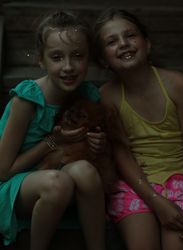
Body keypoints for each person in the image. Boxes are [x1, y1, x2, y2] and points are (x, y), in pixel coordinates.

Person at [93, 8, 183, 250]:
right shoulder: (107, 96)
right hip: (135, 185)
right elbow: (122, 153)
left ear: (147, 43)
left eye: (130, 35)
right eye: (112, 41)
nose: (123, 44)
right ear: (103, 60)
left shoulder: (178, 85)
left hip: (182, 180)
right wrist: (154, 199)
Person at [0, 11, 107, 250]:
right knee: (57, 183)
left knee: (86, 171)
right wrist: (52, 141)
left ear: (88, 58)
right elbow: (3, 171)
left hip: (61, 178)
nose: (68, 67)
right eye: (57, 57)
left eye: (77, 56)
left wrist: (97, 144)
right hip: (17, 186)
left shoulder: (89, 95)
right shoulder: (27, 100)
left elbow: (86, 155)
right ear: (41, 60)